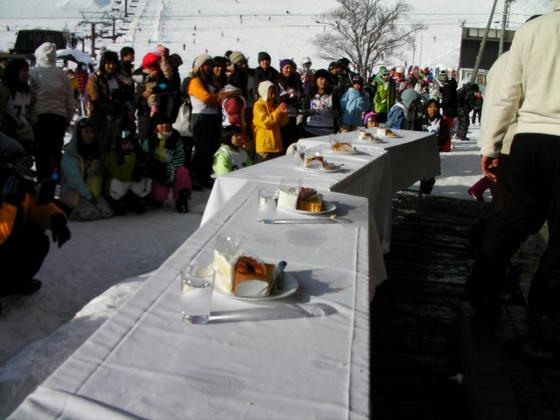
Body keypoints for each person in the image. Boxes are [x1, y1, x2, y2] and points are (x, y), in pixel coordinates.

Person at [468, 6, 560, 315]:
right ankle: (544, 311)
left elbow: (506, 94)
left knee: (509, 220)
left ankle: (482, 284)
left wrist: (491, 145)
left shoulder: (532, 30)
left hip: (527, 139)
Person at [0, 131, 70, 297]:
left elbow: (36, 206)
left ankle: (16, 283)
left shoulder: (16, 186)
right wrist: (8, 204)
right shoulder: (9, 190)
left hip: (8, 247)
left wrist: (56, 218)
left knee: (37, 240)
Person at [29, 42, 74, 181]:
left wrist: (31, 116)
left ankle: (43, 179)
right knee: (55, 150)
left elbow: (29, 95)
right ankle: (55, 177)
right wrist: (68, 116)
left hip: (40, 117)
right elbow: (69, 98)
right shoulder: (62, 74)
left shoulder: (34, 72)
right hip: (59, 118)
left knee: (41, 151)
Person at [59, 118, 114, 221]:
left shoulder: (96, 150)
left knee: (106, 212)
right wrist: (88, 195)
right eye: (86, 132)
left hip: (92, 194)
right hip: (75, 195)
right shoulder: (71, 153)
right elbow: (74, 179)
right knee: (90, 213)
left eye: (92, 132)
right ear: (79, 133)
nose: (90, 135)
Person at [86, 50, 135, 163]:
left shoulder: (121, 78)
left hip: (119, 121)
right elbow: (96, 100)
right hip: (101, 121)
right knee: (101, 151)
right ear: (103, 63)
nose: (111, 66)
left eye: (113, 63)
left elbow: (130, 95)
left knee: (117, 150)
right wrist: (114, 106)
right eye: (108, 63)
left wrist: (126, 103)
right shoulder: (95, 79)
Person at [143, 113, 191, 212]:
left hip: (173, 169)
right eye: (161, 123)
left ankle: (181, 199)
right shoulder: (149, 141)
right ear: (155, 126)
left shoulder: (175, 138)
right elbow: (144, 158)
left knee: (183, 172)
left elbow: (180, 157)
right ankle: (153, 198)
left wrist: (170, 170)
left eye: (167, 123)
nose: (164, 125)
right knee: (159, 196)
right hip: (157, 172)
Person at [188, 54, 221, 190]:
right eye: (205, 65)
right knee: (202, 148)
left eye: (210, 65)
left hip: (213, 116)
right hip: (201, 116)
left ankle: (206, 175)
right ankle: (195, 176)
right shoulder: (195, 81)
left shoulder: (212, 81)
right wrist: (219, 98)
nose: (208, 68)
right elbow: (205, 97)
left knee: (212, 148)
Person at [107, 131, 151, 215]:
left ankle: (136, 200)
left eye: (131, 144)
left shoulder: (139, 153)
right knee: (118, 183)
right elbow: (122, 176)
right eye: (125, 143)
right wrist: (129, 160)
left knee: (144, 181)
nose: (128, 146)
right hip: (120, 186)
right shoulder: (114, 154)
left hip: (133, 189)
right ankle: (118, 202)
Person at [0, 58, 35, 155]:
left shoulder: (29, 92)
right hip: (8, 135)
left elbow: (33, 111)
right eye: (23, 71)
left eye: (27, 71)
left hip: (26, 135)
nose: (27, 74)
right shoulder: (4, 90)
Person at [252, 80, 289, 162]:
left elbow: (282, 124)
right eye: (271, 93)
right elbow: (266, 122)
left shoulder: (274, 106)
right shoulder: (258, 106)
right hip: (264, 148)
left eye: (274, 93)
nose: (273, 96)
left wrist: (284, 113)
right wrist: (278, 111)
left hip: (277, 146)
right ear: (264, 93)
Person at [419, 99, 449, 194]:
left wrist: (433, 142)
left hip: (433, 152)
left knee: (430, 176)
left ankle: (425, 192)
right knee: (421, 174)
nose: (433, 109)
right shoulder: (421, 120)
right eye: (430, 107)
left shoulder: (441, 121)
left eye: (435, 107)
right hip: (420, 151)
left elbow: (444, 137)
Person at [301, 68, 339, 137]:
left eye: (326, 79)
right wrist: (314, 111)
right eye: (321, 78)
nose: (323, 81)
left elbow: (338, 112)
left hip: (327, 131)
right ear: (316, 80)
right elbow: (304, 111)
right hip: (310, 129)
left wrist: (331, 111)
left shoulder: (333, 95)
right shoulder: (310, 94)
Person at [276, 59, 303, 149]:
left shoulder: (297, 81)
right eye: (286, 67)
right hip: (282, 116)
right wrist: (286, 98)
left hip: (294, 115)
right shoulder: (278, 82)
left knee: (293, 143)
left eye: (290, 67)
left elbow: (301, 95)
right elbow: (275, 98)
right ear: (281, 69)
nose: (289, 70)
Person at [437, 68, 458, 152]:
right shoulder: (450, 86)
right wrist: (442, 90)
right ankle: (446, 146)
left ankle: (446, 147)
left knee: (446, 129)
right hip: (451, 111)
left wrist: (440, 105)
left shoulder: (448, 87)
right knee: (447, 129)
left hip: (449, 111)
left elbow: (448, 99)